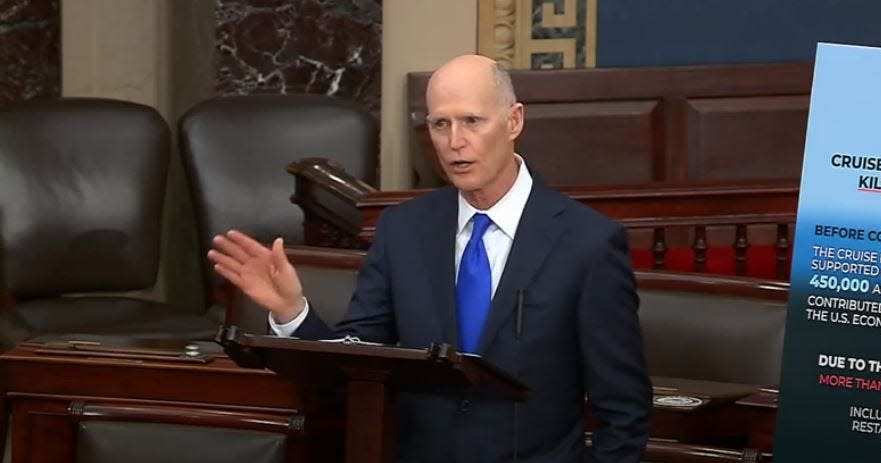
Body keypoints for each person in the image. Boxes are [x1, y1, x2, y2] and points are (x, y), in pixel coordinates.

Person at [208, 54, 651, 462]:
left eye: (472, 121)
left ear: (514, 121)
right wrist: (292, 312)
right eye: (441, 125)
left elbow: (624, 410)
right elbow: (356, 366)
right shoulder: (403, 230)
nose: (455, 142)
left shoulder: (588, 243)